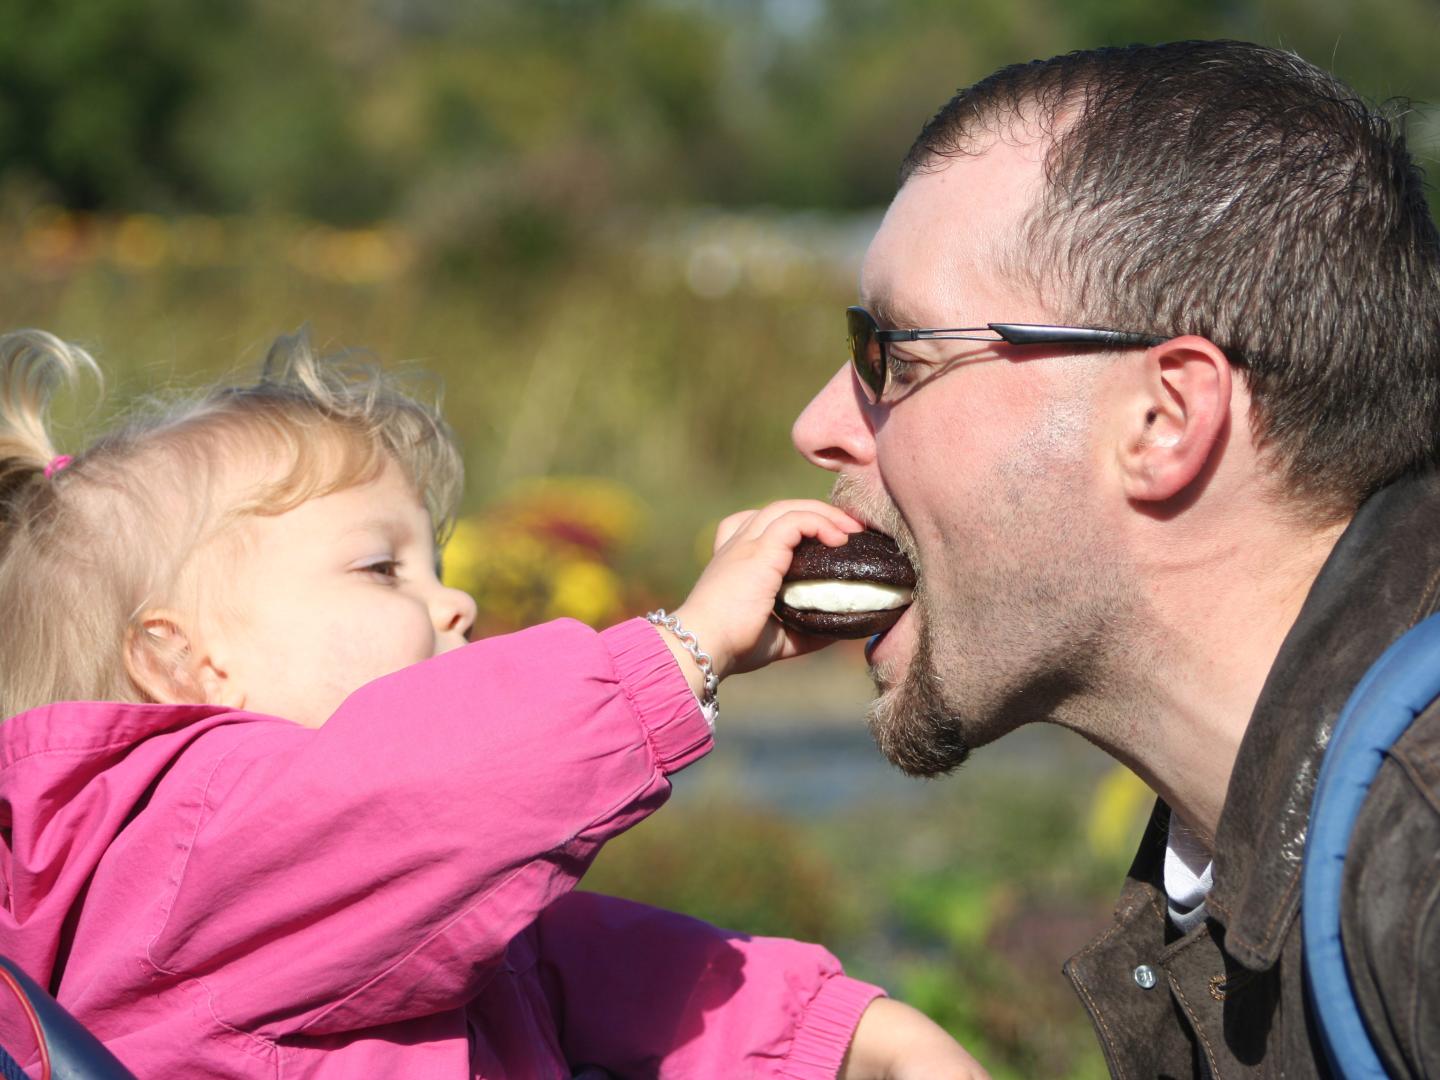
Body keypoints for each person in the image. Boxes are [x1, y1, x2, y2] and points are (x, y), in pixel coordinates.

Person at [0, 329, 983, 1079]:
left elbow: (581, 968)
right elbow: (438, 785)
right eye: (382, 568)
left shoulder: (371, 892)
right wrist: (685, 647)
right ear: (185, 661)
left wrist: (845, 1034)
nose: (455, 599)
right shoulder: (185, 844)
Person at [791, 39, 1440, 1078]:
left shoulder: (1423, 853)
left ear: (1163, 418)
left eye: (898, 355)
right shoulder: (1239, 876)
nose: (820, 426)